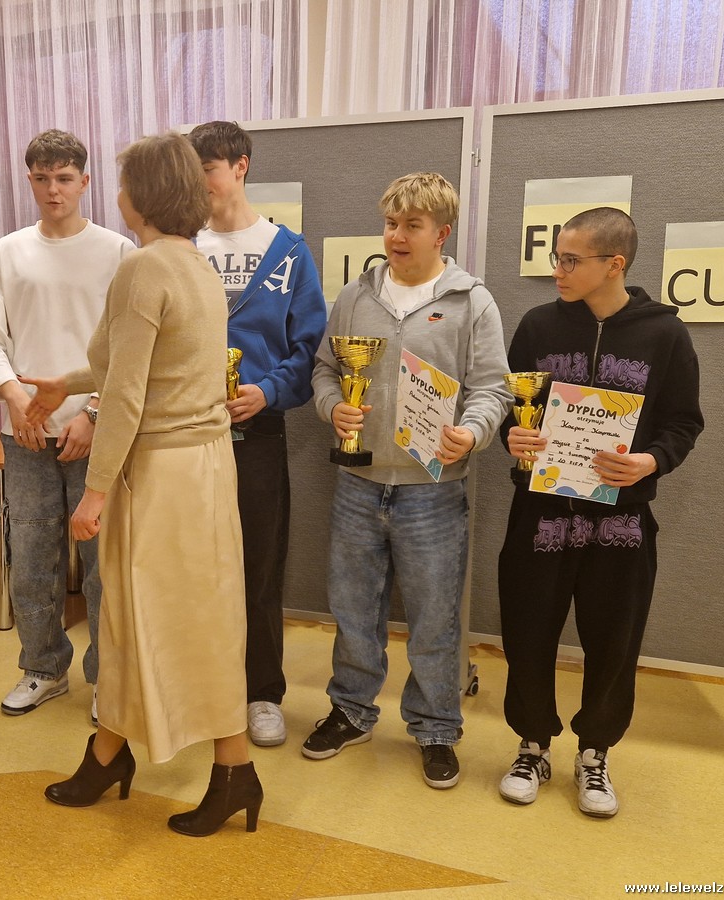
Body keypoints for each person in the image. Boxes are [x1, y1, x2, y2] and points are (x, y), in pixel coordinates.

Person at [22, 132, 260, 837]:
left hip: (160, 474)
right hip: (206, 467)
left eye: (123, 182)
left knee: (141, 619)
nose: (117, 193)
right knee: (195, 619)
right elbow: (149, 364)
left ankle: (219, 768)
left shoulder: (142, 268)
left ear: (142, 195)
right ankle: (125, 755)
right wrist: (66, 382)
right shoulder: (195, 265)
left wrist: (94, 493)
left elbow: (127, 395)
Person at [306, 173, 512, 790]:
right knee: (353, 609)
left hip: (433, 490)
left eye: (412, 226)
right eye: (391, 224)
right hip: (358, 483)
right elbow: (325, 369)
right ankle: (350, 710)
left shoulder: (472, 302)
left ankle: (435, 727)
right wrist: (332, 408)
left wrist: (472, 432)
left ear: (441, 233)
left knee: (434, 618)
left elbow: (493, 388)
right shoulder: (356, 295)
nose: (397, 236)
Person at [496, 207, 703, 818]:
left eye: (570, 260)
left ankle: (595, 752)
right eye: (556, 258)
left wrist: (650, 462)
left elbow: (684, 422)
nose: (556, 270)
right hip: (541, 514)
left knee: (614, 639)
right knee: (527, 632)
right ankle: (532, 744)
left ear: (615, 264)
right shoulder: (537, 325)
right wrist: (514, 436)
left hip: (621, 521)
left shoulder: (665, 334)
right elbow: (514, 410)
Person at [0, 130, 134, 720]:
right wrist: (14, 398)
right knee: (32, 559)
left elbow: (128, 347)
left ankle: (107, 678)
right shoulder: (8, 251)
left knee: (102, 567)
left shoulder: (118, 251)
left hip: (97, 432)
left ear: (85, 182)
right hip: (26, 434)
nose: (52, 190)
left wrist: (93, 412)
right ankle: (42, 668)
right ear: (30, 181)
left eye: (64, 178)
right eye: (41, 178)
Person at [187, 121, 326, 748]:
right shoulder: (180, 246)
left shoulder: (288, 250)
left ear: (240, 166)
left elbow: (308, 347)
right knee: (190, 566)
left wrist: (266, 392)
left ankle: (261, 691)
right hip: (185, 433)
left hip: (259, 431)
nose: (200, 184)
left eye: (209, 170)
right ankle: (199, 687)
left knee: (259, 566)